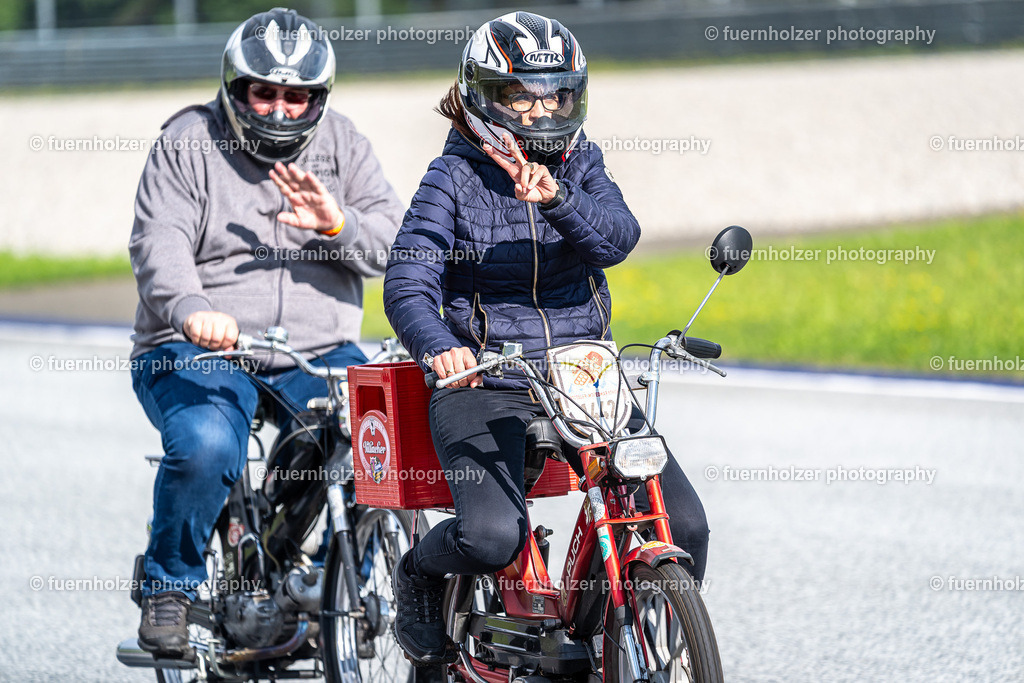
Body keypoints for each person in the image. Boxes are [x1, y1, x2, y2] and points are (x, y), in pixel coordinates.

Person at [382, 11, 711, 666]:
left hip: (582, 375)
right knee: (489, 535)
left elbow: (617, 237)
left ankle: (626, 632)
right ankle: (419, 570)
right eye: (523, 96)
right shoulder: (452, 179)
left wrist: (558, 197)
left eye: (556, 94)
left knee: (687, 521)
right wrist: (439, 346)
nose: (542, 110)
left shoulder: (582, 163)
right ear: (486, 96)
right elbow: (407, 282)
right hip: (486, 380)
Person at [128, 8, 404, 657]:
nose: (280, 109)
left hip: (314, 349)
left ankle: (342, 587)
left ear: (318, 97)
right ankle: (170, 582)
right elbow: (157, 241)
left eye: (297, 95)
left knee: (372, 438)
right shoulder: (186, 140)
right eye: (265, 92)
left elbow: (396, 240)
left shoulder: (344, 144)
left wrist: (340, 225)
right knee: (206, 443)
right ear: (236, 88)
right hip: (197, 346)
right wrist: (191, 307)